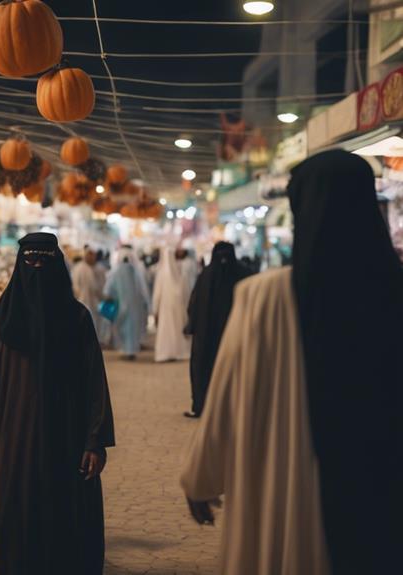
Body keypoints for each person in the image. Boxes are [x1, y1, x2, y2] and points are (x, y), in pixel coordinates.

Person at [180, 150, 402, 574]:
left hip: (281, 501)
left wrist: (201, 476)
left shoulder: (262, 298)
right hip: (376, 502)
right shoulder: (391, 293)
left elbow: (224, 397)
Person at [0, 233, 115, 575]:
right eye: (29, 261)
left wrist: (95, 441)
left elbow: (94, 382)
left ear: (57, 267)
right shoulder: (2, 321)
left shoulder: (77, 320)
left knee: (65, 514)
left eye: (44, 261)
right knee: (19, 511)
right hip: (14, 438)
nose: (36, 268)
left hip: (66, 436)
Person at [183, 242, 251, 418]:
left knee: (205, 369)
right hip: (236, 334)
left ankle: (202, 405)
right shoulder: (243, 273)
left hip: (207, 336)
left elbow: (194, 304)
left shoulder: (207, 275)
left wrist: (192, 326)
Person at [103, 252, 149, 359]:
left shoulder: (115, 272)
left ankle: (125, 350)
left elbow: (108, 289)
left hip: (120, 306)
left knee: (123, 329)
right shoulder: (135, 272)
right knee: (132, 329)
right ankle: (131, 350)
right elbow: (142, 290)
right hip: (135, 307)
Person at [152, 248, 192, 362]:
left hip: (165, 308)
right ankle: (178, 352)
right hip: (179, 309)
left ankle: (165, 352)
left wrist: (155, 310)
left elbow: (157, 294)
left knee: (166, 329)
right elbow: (186, 293)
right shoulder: (181, 273)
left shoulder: (161, 274)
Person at [72, 246, 109, 344]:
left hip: (97, 302)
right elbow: (75, 285)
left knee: (97, 322)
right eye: (89, 254)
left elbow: (104, 285)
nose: (91, 257)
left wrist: (103, 296)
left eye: (93, 255)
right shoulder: (78, 268)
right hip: (82, 300)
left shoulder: (100, 269)